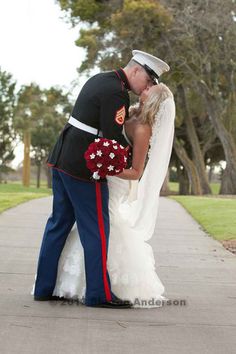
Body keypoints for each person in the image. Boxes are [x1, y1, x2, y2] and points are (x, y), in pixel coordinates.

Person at [33, 49, 170, 309]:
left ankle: (43, 287)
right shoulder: (117, 92)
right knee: (96, 230)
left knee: (58, 224)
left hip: (62, 158)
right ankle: (99, 294)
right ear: (136, 70)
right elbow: (112, 138)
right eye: (149, 81)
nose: (148, 86)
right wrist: (121, 162)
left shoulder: (101, 78)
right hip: (83, 169)